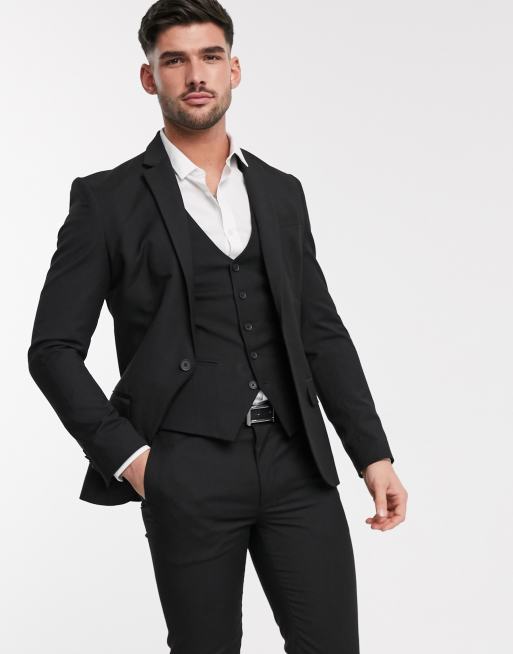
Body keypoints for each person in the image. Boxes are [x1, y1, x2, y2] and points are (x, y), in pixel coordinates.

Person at [27, 1, 408, 652]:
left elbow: (320, 332)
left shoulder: (281, 192)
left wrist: (372, 454)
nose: (195, 74)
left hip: (296, 462)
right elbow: (52, 350)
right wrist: (134, 461)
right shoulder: (107, 201)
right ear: (149, 77)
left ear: (234, 69)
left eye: (210, 57)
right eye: (174, 60)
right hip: (185, 467)